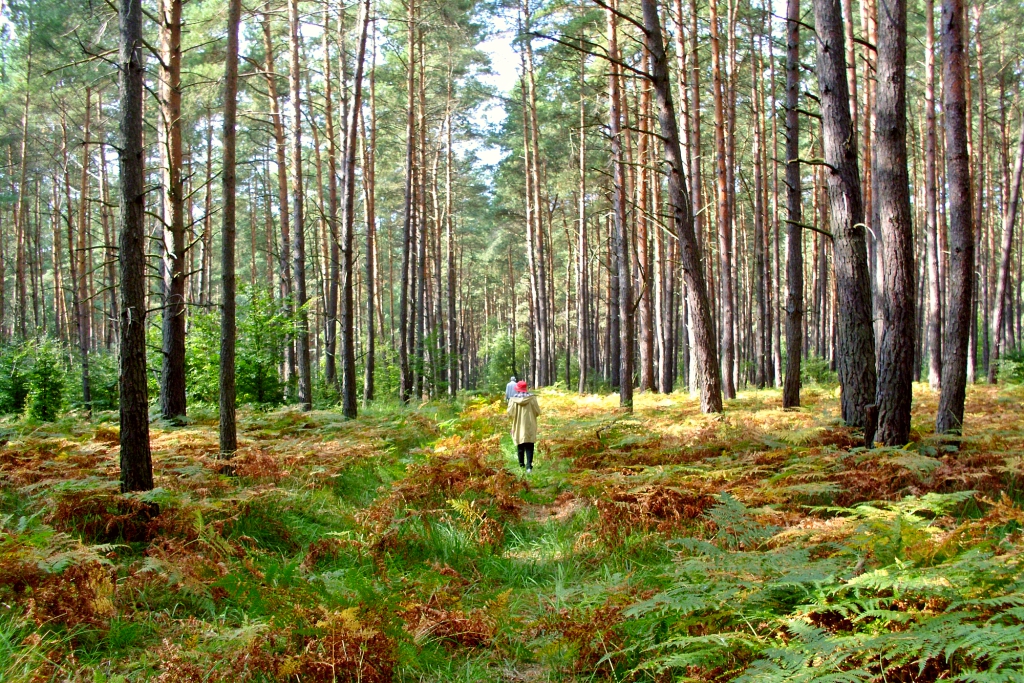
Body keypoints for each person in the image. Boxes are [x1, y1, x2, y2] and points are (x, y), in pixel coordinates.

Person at [507, 380, 540, 472]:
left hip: (518, 425)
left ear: (517, 389)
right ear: (525, 389)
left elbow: (510, 413)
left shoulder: (513, 399)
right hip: (530, 424)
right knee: (529, 445)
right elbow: (537, 412)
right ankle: (529, 466)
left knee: (520, 444)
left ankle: (521, 464)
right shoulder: (532, 398)